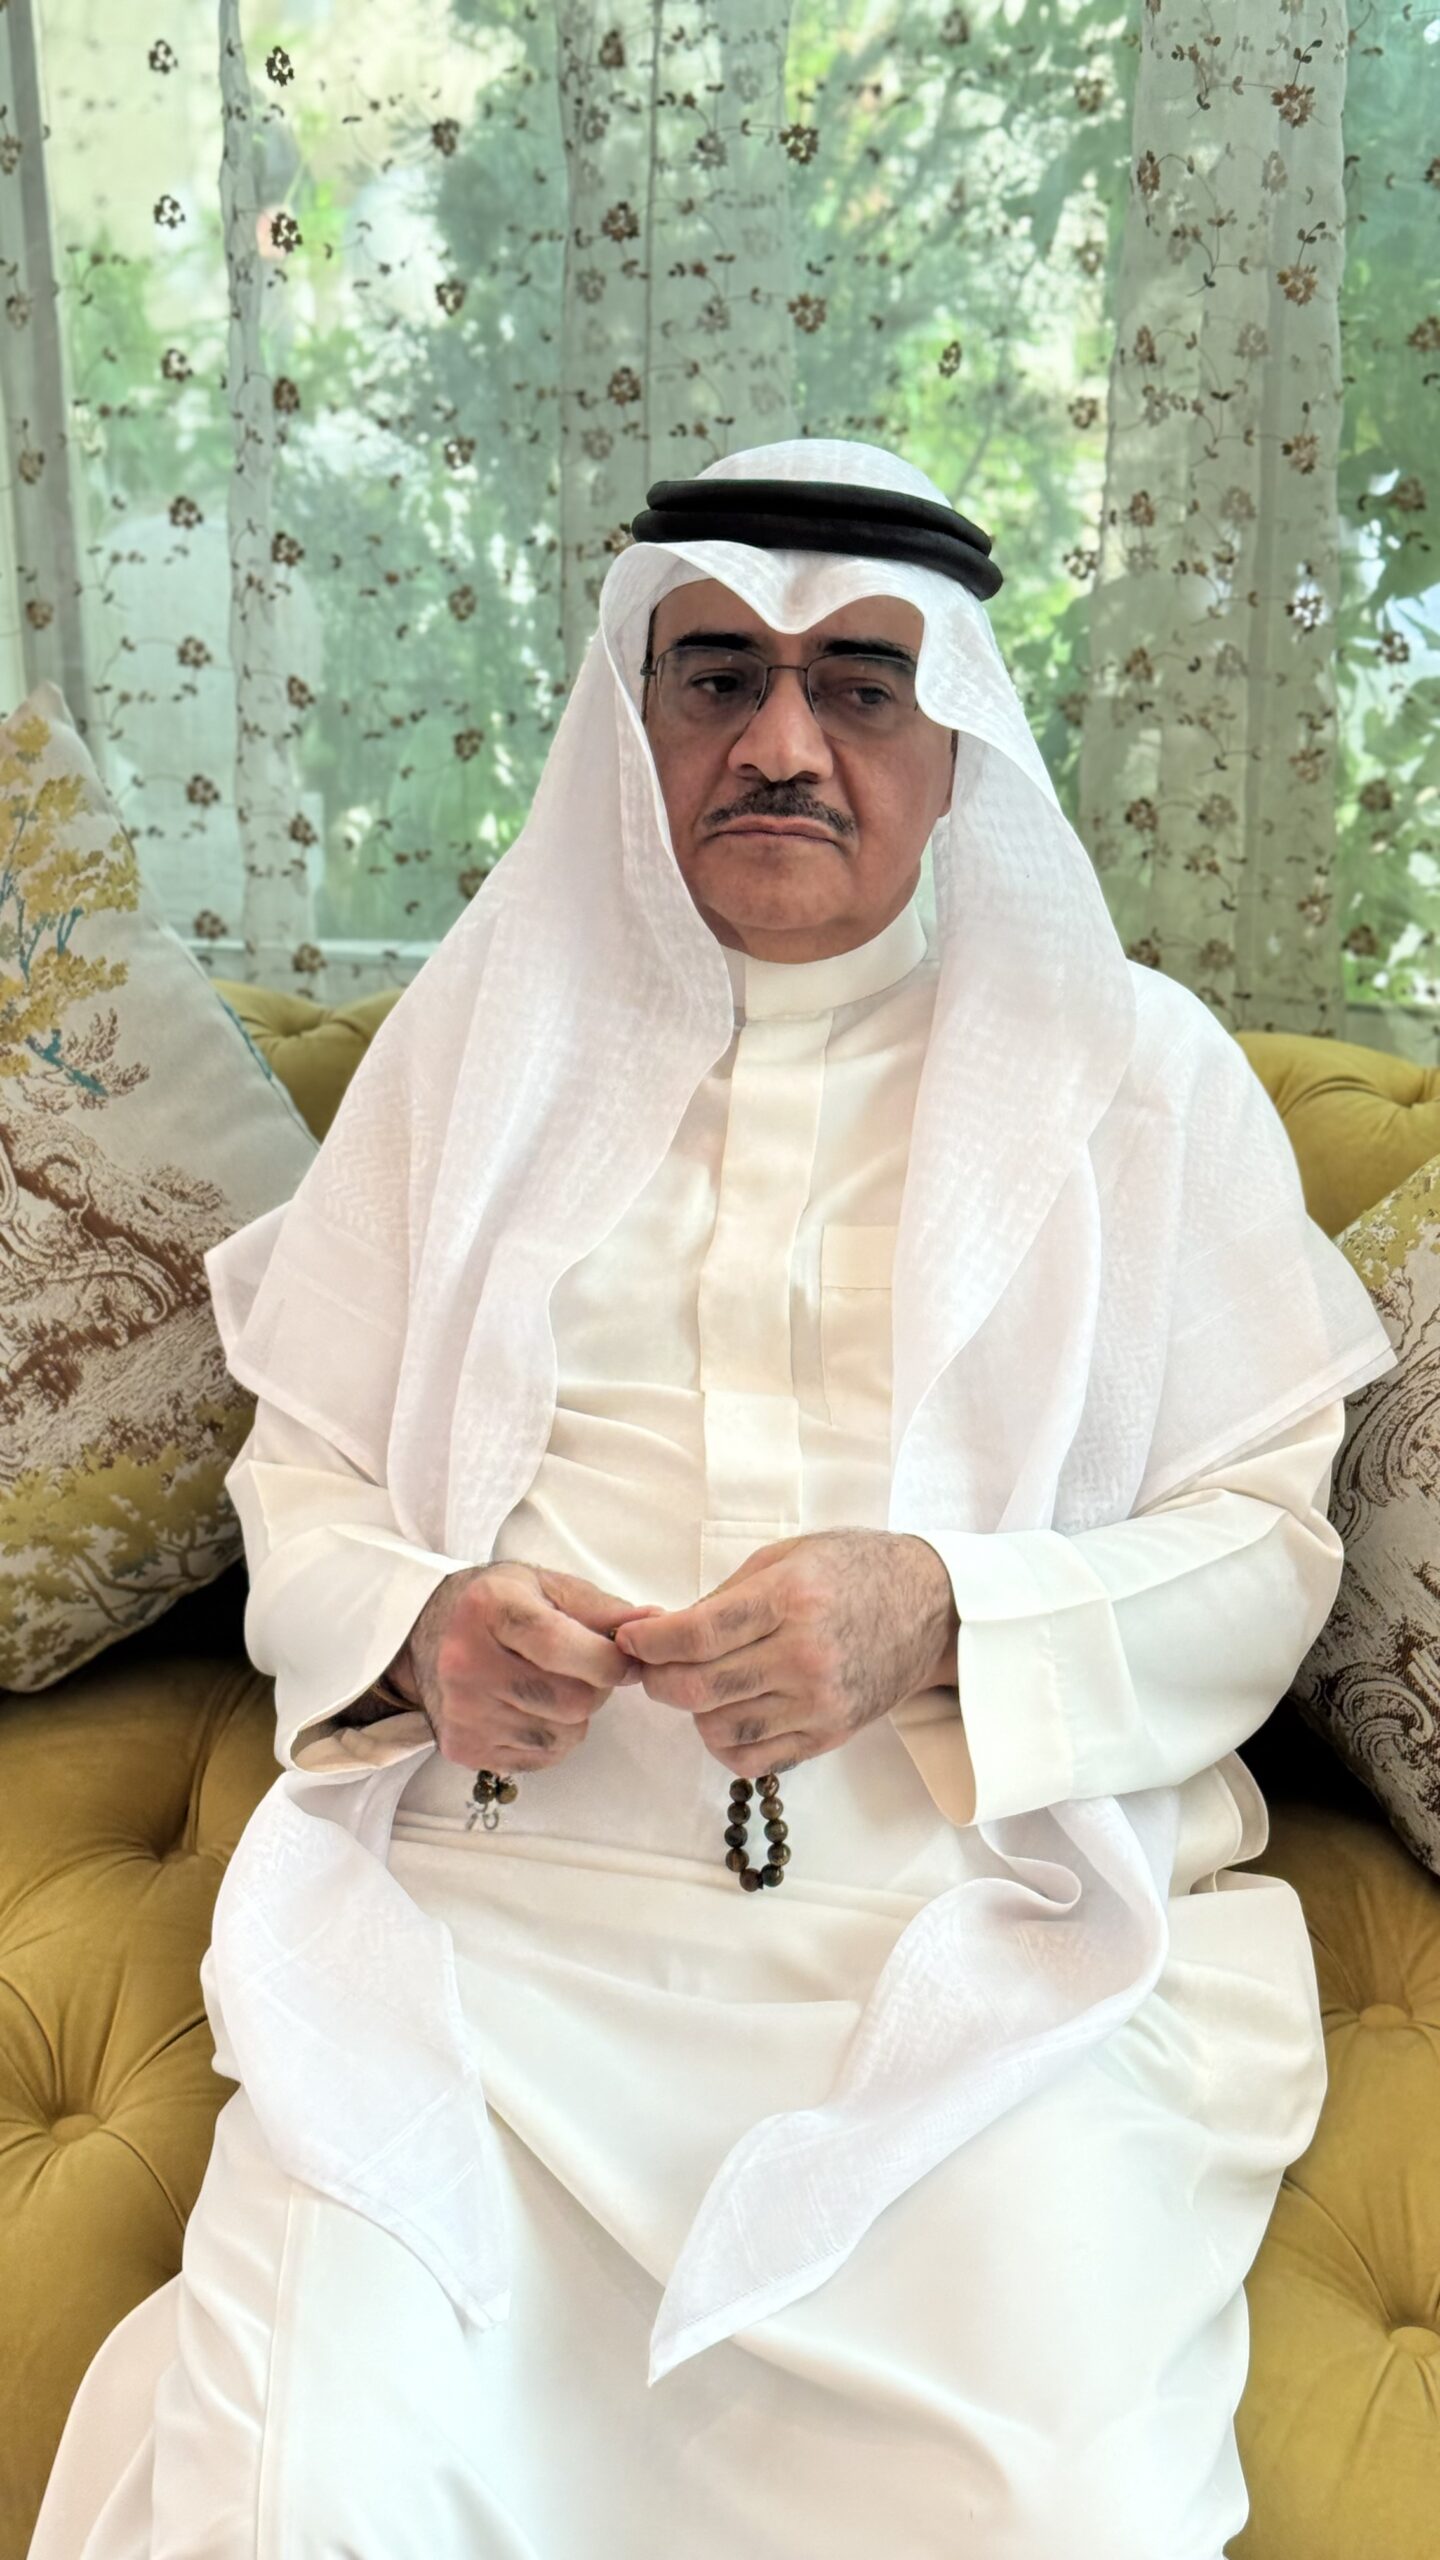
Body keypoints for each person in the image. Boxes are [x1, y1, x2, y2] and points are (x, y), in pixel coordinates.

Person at [28, 440, 1394, 2560]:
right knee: (311, 2496)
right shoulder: (478, 1042)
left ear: (955, 738)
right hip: (492, 1931)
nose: (781, 742)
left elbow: (1265, 1544)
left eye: (858, 684)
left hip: (963, 1935)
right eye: (719, 677)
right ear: (638, 716)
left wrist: (938, 1609)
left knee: (1045, 2512)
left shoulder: (1137, 1071)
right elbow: (303, 1469)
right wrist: (420, 1624)